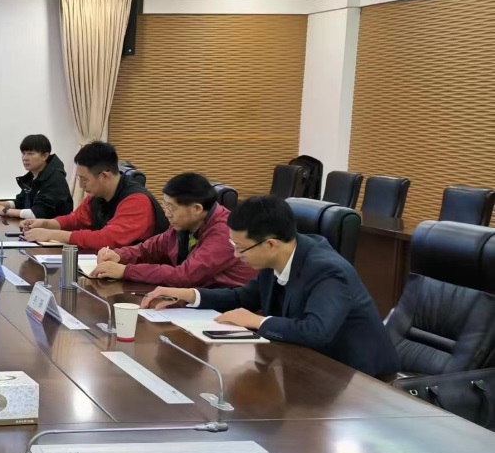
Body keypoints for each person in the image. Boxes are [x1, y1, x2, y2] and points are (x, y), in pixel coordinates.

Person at [142, 195, 398, 377]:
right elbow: (244, 297)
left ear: (271, 244)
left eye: (241, 248)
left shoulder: (328, 270)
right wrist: (190, 295)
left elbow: (316, 331)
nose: (236, 256)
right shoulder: (276, 258)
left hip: (357, 377)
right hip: (305, 365)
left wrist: (258, 321)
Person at [91, 173, 255, 289]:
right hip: (196, 301)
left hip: (230, 310)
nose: (167, 213)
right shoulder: (185, 223)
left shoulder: (224, 232)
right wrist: (120, 255)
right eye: (165, 205)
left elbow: (185, 276)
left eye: (172, 208)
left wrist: (126, 271)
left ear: (197, 209)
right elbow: (153, 247)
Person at [21, 141, 166, 252]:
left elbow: (107, 239)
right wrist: (46, 223)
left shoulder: (137, 201)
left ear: (104, 176)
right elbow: (76, 219)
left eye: (84, 179)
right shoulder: (98, 195)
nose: (81, 185)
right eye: (79, 179)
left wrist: (51, 234)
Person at [0, 134, 73, 219]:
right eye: (23, 153)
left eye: (30, 154)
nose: (25, 158)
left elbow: (38, 214)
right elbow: (20, 202)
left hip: (52, 231)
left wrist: (5, 211)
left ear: (45, 156)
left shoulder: (55, 179)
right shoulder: (32, 177)